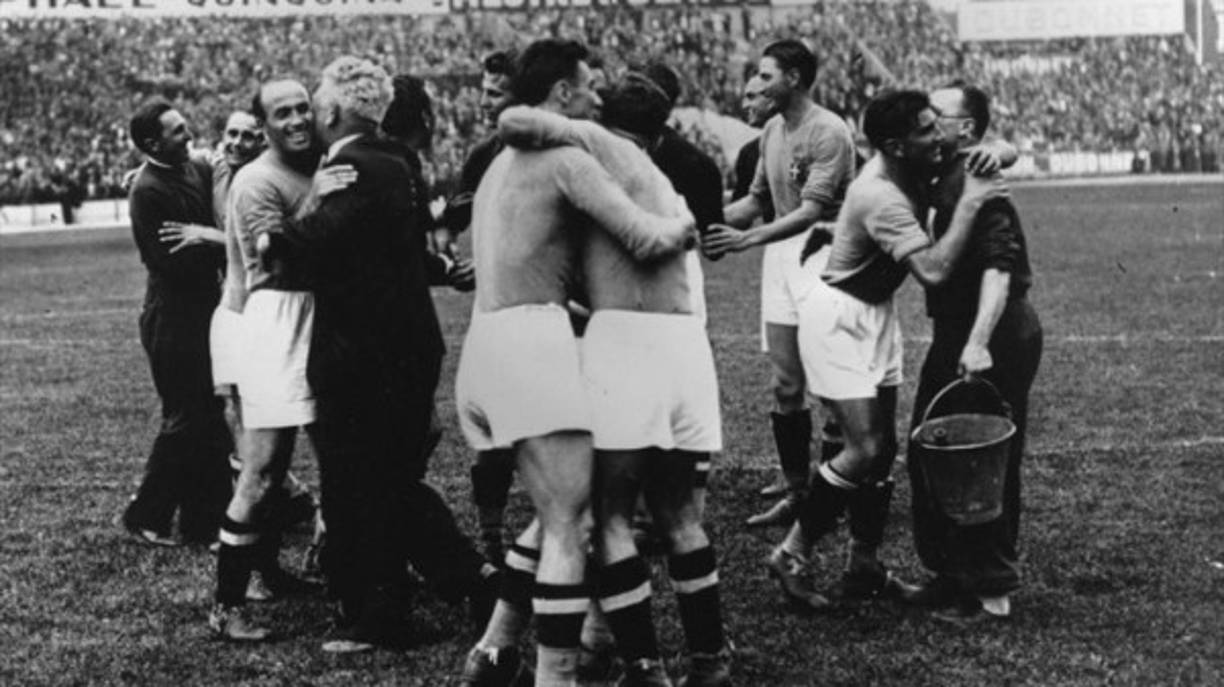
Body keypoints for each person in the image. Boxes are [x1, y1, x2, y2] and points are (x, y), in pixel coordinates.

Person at [455, 38, 695, 687]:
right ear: (562, 93)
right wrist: (684, 223)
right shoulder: (563, 158)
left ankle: (496, 647)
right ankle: (556, 675)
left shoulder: (500, 161)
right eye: (588, 87)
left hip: (486, 345)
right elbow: (644, 237)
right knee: (571, 523)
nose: (596, 98)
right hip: (533, 345)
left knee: (557, 504)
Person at [497, 74, 732, 687]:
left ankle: (645, 668)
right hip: (684, 345)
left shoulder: (596, 144)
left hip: (626, 344)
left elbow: (514, 122)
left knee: (610, 519)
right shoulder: (661, 177)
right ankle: (710, 660)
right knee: (681, 514)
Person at [764, 89, 1009, 611]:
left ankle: (864, 564)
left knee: (884, 451)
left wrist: (1000, 152)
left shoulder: (913, 163)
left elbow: (1000, 148)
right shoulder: (883, 195)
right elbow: (936, 270)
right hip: (838, 320)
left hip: (876, 314)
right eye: (925, 129)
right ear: (897, 145)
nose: (936, 134)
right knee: (865, 448)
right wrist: (971, 201)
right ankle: (792, 553)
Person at [259, 56, 452, 653]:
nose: (313, 109)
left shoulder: (348, 165)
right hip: (406, 344)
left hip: (363, 354)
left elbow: (309, 251)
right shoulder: (399, 157)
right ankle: (449, 584)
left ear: (335, 108)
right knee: (392, 480)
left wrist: (279, 234)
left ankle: (385, 615)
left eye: (317, 99)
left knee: (363, 484)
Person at [207, 79, 355, 642]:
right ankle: (226, 605)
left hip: (322, 321)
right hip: (274, 321)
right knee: (263, 471)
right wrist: (318, 198)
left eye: (302, 109)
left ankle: (341, 577)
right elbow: (272, 265)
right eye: (282, 113)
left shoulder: (324, 158)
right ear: (263, 124)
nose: (296, 120)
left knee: (339, 461)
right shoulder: (255, 180)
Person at [899, 83, 1042, 624]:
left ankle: (990, 592)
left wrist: (979, 341)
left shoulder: (979, 178)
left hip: (994, 331)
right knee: (930, 450)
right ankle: (949, 575)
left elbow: (998, 267)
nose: (928, 119)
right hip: (957, 331)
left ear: (966, 129)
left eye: (939, 113)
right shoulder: (943, 170)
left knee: (982, 462)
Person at [702, 40, 856, 531]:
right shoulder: (771, 129)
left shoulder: (830, 130)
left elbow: (811, 212)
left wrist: (744, 239)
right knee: (786, 383)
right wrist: (699, 221)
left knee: (833, 384)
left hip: (825, 254)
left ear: (793, 78)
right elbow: (753, 200)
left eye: (766, 76)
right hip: (781, 259)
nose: (758, 84)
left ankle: (840, 492)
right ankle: (797, 492)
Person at [120, 99, 232, 548]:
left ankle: (200, 522)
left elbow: (215, 170)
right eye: (179, 131)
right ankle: (147, 513)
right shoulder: (148, 190)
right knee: (188, 417)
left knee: (204, 417)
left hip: (200, 310)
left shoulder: (191, 167)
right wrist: (224, 246)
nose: (189, 136)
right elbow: (174, 262)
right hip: (174, 317)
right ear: (152, 144)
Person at [439, 49, 521, 567]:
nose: (484, 102)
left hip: (561, 309)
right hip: (497, 316)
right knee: (495, 435)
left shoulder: (565, 148)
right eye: (484, 91)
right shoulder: (485, 153)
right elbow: (450, 221)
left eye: (496, 93)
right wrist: (449, 259)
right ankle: (492, 537)